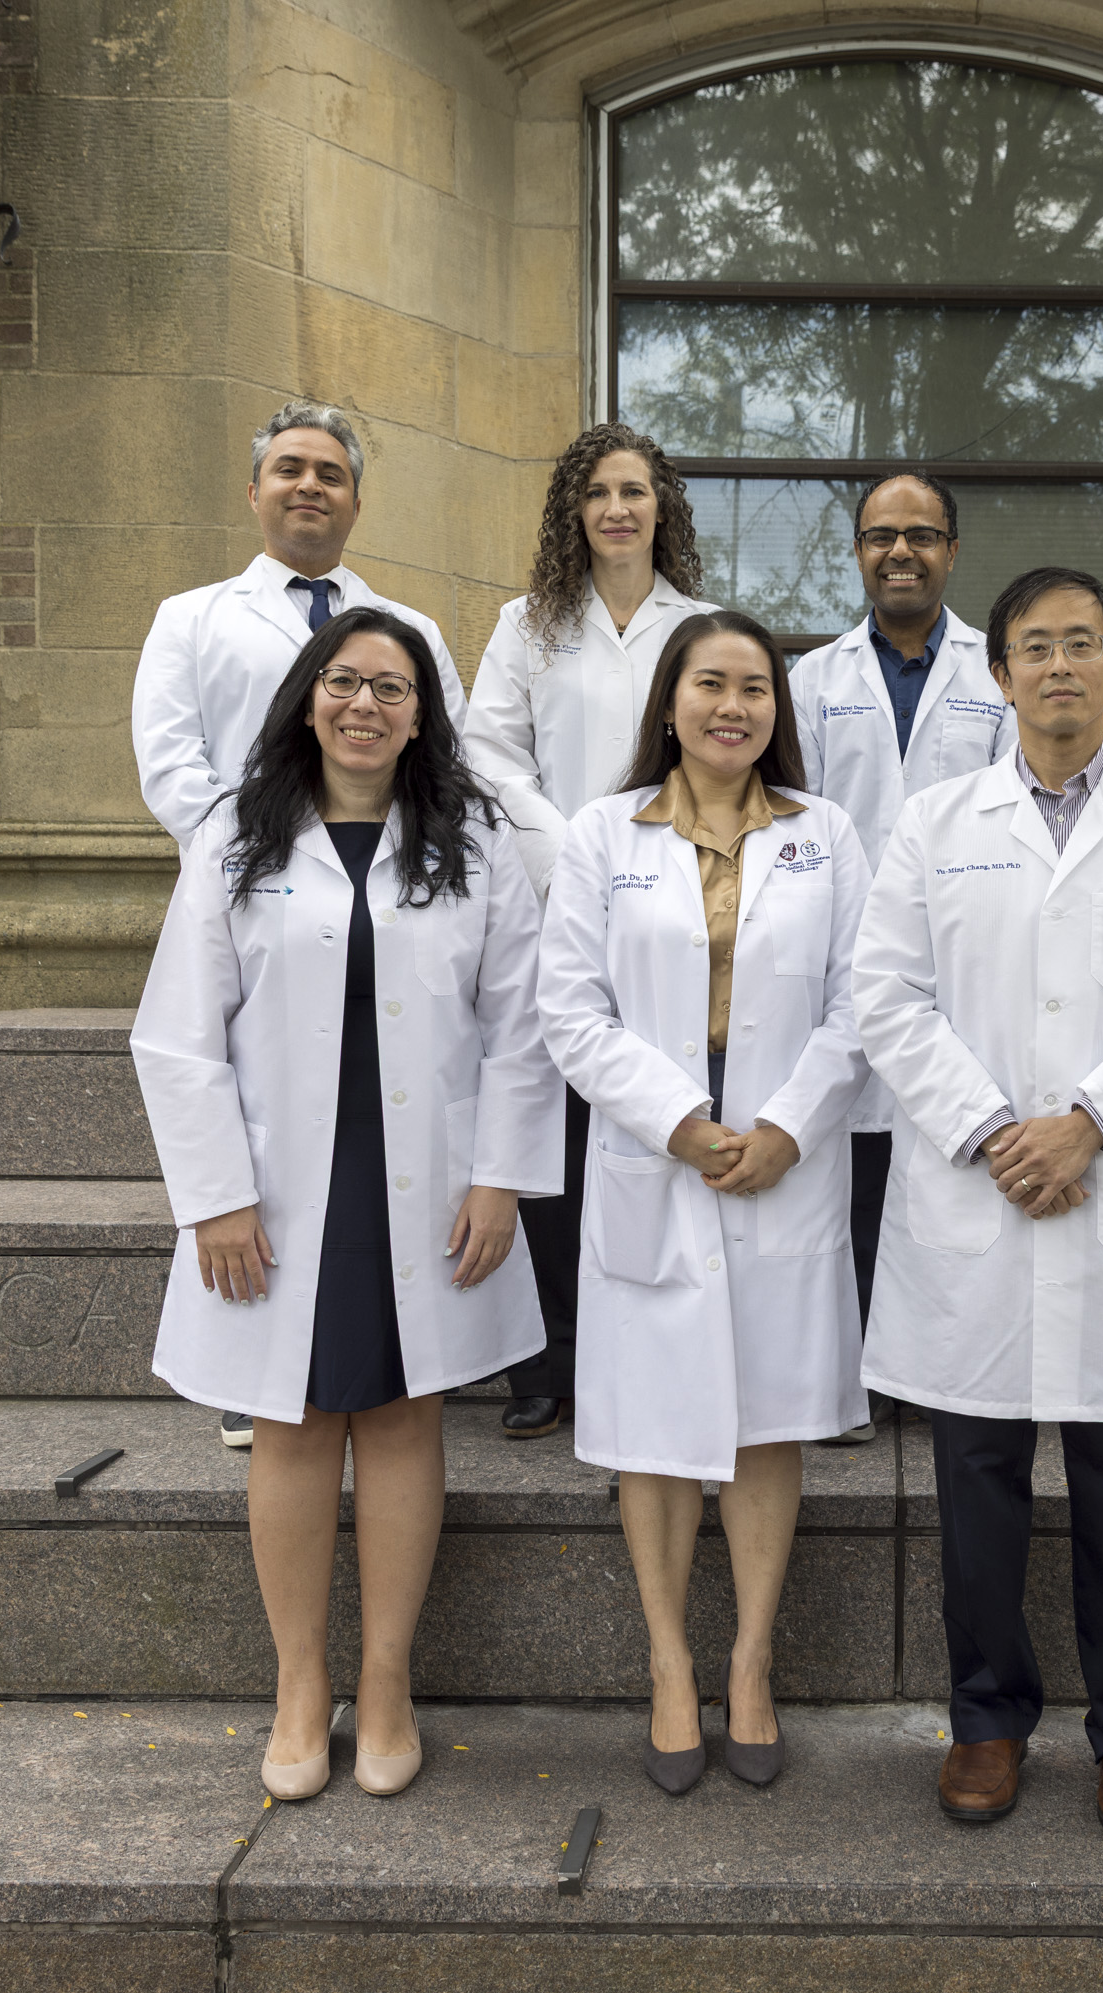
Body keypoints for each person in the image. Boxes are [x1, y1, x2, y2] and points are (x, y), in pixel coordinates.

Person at [130, 608, 562, 1803]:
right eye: (343, 681)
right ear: (307, 698)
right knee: (294, 1425)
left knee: (406, 1419)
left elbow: (524, 1027)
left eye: (392, 687)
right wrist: (217, 1197)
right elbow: (178, 1035)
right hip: (281, 1189)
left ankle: (385, 1686)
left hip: (427, 1180)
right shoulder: (237, 836)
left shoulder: (472, 840)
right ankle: (297, 1686)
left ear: (423, 716)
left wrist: (500, 1179)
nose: (365, 704)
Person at [853, 566, 1103, 1841]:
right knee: (975, 1484)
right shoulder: (936, 821)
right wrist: (995, 1131)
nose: (1060, 666)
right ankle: (985, 1718)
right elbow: (886, 995)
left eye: (1084, 644)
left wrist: (1089, 1122)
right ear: (1001, 672)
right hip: (975, 1197)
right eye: (1036, 646)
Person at [539, 608, 873, 1795]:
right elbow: (569, 1008)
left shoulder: (826, 834)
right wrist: (676, 1118)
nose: (734, 707)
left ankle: (750, 1663)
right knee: (655, 1428)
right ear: (670, 704)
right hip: (659, 1155)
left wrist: (788, 1125)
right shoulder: (602, 833)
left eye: (755, 688)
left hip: (783, 1154)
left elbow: (865, 999)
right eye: (711, 685)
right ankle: (671, 1664)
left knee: (767, 1418)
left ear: (779, 710)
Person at [128, 398, 467, 1451]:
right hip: (251, 902)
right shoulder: (191, 617)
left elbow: (450, 766)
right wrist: (256, 854)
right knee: (259, 1111)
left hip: (395, 892)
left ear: (356, 500)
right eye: (290, 468)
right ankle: (258, 1362)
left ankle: (385, 1349)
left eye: (331, 472)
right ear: (254, 490)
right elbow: (171, 761)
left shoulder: (410, 630)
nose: (309, 484)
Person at [463, 423, 718, 1442]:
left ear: (663, 508)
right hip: (547, 899)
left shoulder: (697, 625)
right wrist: (571, 853)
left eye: (635, 491)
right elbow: (490, 755)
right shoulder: (527, 625)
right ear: (574, 511)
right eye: (598, 492)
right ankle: (545, 1358)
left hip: (670, 904)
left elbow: (720, 751)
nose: (617, 508)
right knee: (549, 1135)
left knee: (645, 1116)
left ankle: (647, 1340)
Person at [785, 471, 1012, 1433]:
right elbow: (795, 817)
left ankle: (946, 1369)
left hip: (966, 963)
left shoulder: (996, 672)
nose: (901, 552)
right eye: (881, 536)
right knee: (858, 1179)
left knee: (950, 1173)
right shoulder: (813, 679)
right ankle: (860, 1375)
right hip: (844, 954)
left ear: (952, 551)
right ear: (858, 553)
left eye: (921, 535)